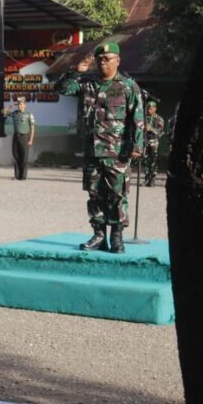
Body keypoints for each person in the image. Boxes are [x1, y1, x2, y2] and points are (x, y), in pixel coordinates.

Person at [56, 42, 144, 253]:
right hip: (92, 150)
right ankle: (99, 235)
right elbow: (61, 89)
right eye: (100, 59)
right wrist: (76, 71)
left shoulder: (127, 86)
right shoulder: (88, 83)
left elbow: (138, 118)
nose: (103, 62)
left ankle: (117, 236)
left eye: (107, 59)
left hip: (117, 152)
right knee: (94, 194)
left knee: (117, 194)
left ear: (118, 61)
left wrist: (137, 146)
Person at [2, 97, 35, 180]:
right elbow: (3, 111)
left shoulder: (29, 114)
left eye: (21, 104)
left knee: (24, 157)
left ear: (25, 105)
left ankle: (23, 176)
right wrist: (11, 106)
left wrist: (31, 140)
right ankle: (17, 175)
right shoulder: (15, 113)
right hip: (16, 136)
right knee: (16, 156)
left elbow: (32, 127)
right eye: (18, 104)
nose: (19, 106)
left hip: (25, 137)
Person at [143, 100, 165, 187]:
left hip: (154, 142)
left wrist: (151, 129)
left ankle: (152, 179)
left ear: (155, 109)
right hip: (145, 141)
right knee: (146, 160)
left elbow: (159, 132)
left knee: (153, 161)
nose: (149, 110)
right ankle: (146, 178)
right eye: (148, 108)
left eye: (151, 109)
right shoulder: (144, 118)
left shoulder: (159, 119)